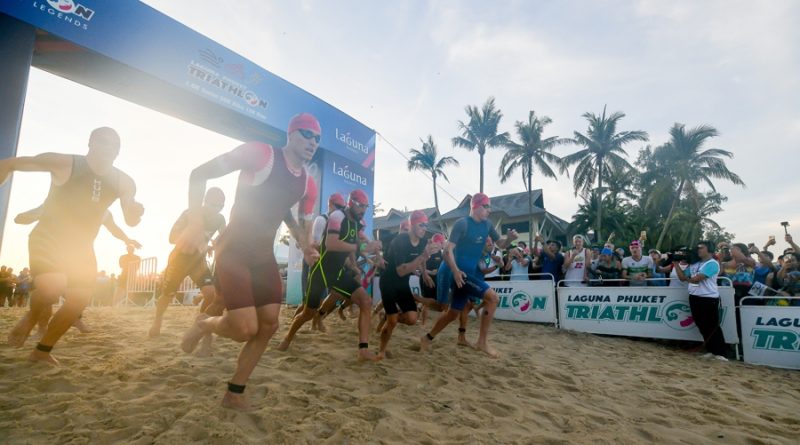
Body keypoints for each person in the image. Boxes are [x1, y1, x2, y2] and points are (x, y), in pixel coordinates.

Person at [177, 113, 320, 411]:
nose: (313, 142)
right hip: (233, 250)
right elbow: (198, 174)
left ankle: (235, 392)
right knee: (244, 328)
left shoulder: (307, 183)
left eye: (317, 138)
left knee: (268, 325)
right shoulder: (261, 154)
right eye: (308, 134)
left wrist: (306, 246)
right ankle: (204, 324)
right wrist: (194, 224)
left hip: (263, 256)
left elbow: (289, 215)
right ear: (291, 133)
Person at [3, 126, 144, 365]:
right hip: (48, 238)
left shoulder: (125, 182)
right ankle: (31, 316)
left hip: (81, 248)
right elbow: (10, 164)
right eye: (103, 141)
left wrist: (135, 213)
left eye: (115, 145)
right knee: (52, 287)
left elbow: (129, 218)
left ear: (118, 151)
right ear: (90, 143)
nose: (109, 148)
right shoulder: (64, 163)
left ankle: (42, 351)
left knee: (79, 301)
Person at [276, 189, 382, 361]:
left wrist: (366, 255)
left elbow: (355, 246)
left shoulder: (356, 223)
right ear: (351, 203)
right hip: (321, 272)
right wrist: (360, 248)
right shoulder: (337, 217)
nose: (363, 210)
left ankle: (363, 350)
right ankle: (288, 338)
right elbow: (331, 244)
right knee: (308, 313)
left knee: (366, 301)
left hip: (338, 272)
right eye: (360, 205)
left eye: (366, 206)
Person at [420, 193, 517, 358]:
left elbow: (500, 244)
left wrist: (508, 239)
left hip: (468, 274)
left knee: (453, 313)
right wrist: (456, 271)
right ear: (476, 206)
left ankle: (427, 338)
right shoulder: (462, 223)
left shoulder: (487, 225)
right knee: (492, 299)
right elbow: (447, 250)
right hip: (459, 274)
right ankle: (482, 342)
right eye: (486, 206)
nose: (489, 210)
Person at [148, 188, 226, 343]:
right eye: (213, 204)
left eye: (221, 206)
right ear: (205, 202)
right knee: (168, 295)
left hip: (198, 262)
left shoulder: (220, 219)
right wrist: (197, 239)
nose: (217, 209)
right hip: (179, 259)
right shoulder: (190, 213)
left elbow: (224, 237)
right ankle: (157, 321)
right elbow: (172, 238)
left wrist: (214, 245)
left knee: (211, 294)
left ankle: (199, 326)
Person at [377, 210, 441, 359]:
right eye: (421, 225)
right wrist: (423, 257)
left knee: (412, 319)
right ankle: (381, 350)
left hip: (402, 284)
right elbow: (401, 271)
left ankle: (385, 317)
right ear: (412, 225)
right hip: (388, 282)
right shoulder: (400, 241)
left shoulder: (423, 242)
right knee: (392, 321)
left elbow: (422, 259)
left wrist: (424, 273)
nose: (424, 228)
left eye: (426, 225)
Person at [291, 192, 346, 331]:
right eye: (338, 206)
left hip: (325, 264)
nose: (341, 210)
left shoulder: (339, 222)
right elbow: (314, 245)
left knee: (325, 299)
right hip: (314, 261)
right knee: (308, 302)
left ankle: (316, 322)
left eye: (343, 207)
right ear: (330, 204)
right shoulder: (322, 220)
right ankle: (294, 323)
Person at [673, 241, 728, 360]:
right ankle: (711, 350)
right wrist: (676, 263)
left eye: (701, 248)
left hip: (708, 298)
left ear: (709, 250)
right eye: (698, 248)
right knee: (701, 325)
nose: (698, 250)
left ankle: (720, 353)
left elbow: (696, 279)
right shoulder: (695, 263)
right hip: (694, 296)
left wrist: (687, 278)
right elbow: (682, 278)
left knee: (712, 326)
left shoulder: (712, 263)